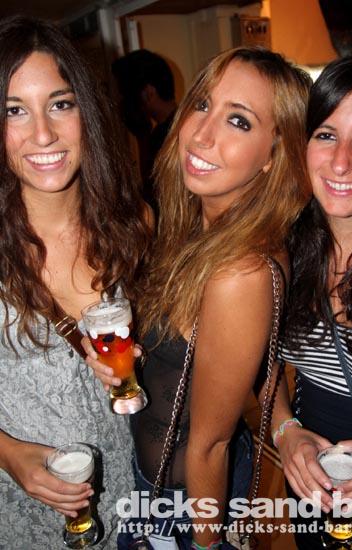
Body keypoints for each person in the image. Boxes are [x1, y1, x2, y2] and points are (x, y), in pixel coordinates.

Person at [86, 46, 311, 548]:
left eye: (239, 121)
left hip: (186, 508)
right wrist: (286, 426)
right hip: (153, 485)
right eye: (203, 104)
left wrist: (205, 544)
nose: (202, 134)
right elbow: (260, 359)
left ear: (274, 154)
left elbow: (211, 445)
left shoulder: (240, 271)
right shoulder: (197, 228)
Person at [0, 15, 150, 550]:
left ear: (87, 110)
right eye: (14, 110)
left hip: (133, 501)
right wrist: (8, 454)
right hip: (23, 515)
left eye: (60, 104)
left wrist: (143, 358)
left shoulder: (133, 225)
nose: (43, 134)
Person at [272, 53, 352, 549]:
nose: (341, 161)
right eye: (326, 135)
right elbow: (258, 368)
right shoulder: (281, 247)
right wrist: (285, 430)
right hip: (312, 488)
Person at [112, 49, 178, 213]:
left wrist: (143, 138)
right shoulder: (179, 125)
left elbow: (156, 198)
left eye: (126, 95)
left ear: (148, 93)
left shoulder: (165, 137)